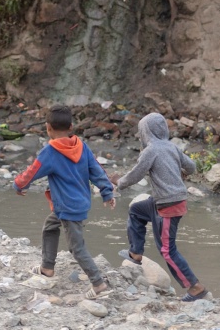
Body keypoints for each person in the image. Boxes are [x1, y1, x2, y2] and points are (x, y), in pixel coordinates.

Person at [13, 105, 115, 298]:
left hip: (68, 208)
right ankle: (47, 268)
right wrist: (107, 192)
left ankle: (98, 284)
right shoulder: (82, 146)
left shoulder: (50, 152)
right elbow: (97, 171)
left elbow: (32, 171)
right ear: (71, 127)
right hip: (75, 203)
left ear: (47, 127)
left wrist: (19, 185)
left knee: (77, 248)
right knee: (50, 226)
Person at [113, 112, 208, 301]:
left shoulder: (151, 150)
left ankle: (195, 287)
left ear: (146, 132)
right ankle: (136, 253)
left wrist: (119, 182)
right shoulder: (172, 147)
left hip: (168, 204)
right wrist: (178, 172)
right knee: (136, 210)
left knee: (167, 249)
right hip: (164, 200)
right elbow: (191, 167)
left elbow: (136, 174)